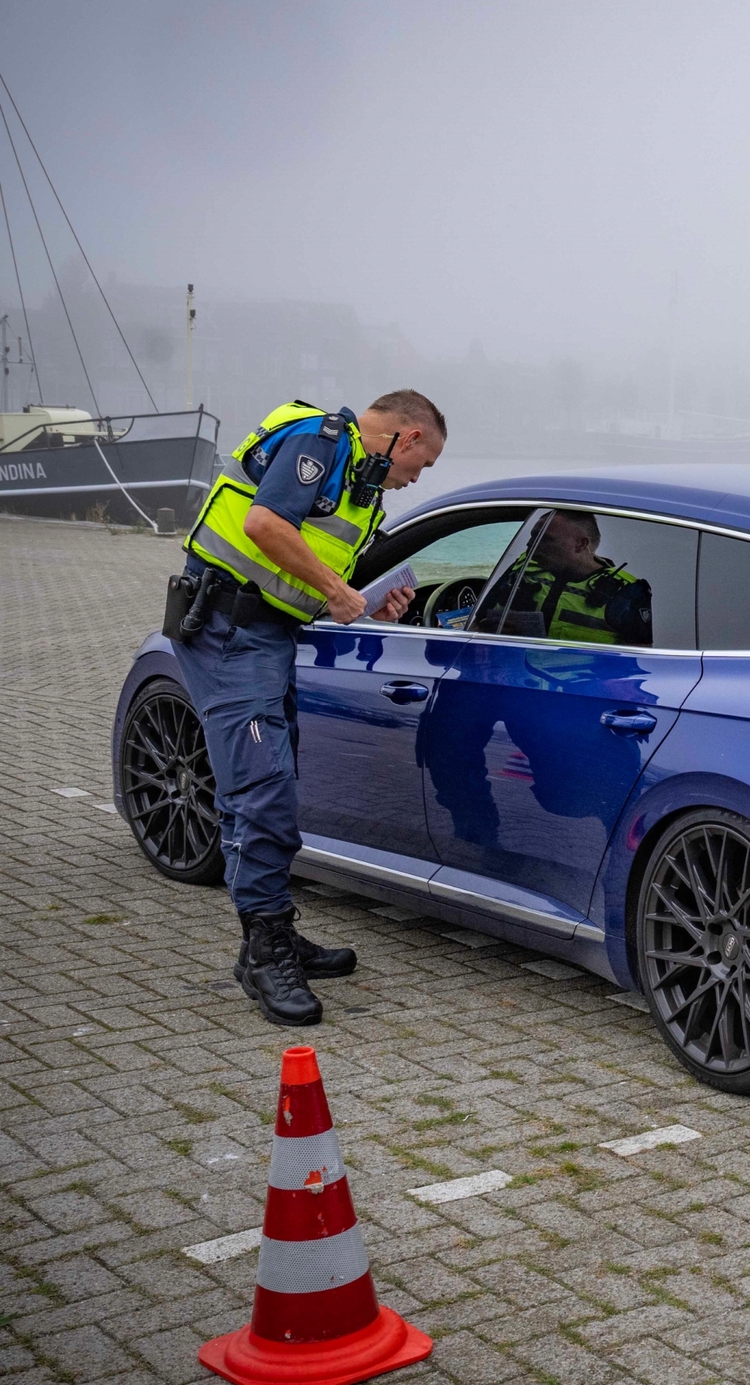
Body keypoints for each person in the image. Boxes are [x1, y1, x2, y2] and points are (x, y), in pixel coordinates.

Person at [173, 391, 446, 1023]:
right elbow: (264, 526)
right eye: (421, 466)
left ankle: (268, 935)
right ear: (405, 439)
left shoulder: (356, 477)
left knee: (267, 785)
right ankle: (266, 955)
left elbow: (293, 571)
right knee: (262, 791)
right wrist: (336, 590)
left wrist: (363, 601)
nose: (413, 479)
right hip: (228, 634)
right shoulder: (320, 443)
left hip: (264, 638)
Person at [486, 509, 653, 645]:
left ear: (581, 544)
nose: (531, 545)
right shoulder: (521, 568)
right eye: (532, 536)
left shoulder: (626, 591)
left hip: (582, 683)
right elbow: (477, 624)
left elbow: (637, 664)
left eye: (545, 539)